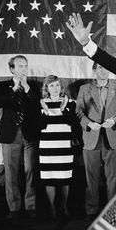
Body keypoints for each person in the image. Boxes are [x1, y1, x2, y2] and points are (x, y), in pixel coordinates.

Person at [76, 63, 116, 220]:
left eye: (107, 68)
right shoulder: (84, 89)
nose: (104, 71)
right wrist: (89, 124)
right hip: (91, 137)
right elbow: (78, 111)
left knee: (112, 177)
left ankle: (111, 211)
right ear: (95, 70)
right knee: (92, 176)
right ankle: (92, 210)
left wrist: (115, 121)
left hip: (111, 138)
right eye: (101, 68)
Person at [0, 55, 42, 219]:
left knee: (31, 170)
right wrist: (14, 89)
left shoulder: (34, 86)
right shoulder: (3, 86)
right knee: (11, 172)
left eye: (25, 66)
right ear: (12, 69)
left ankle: (31, 206)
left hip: (30, 134)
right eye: (20, 66)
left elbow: (38, 105)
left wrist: (26, 88)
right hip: (10, 134)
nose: (23, 69)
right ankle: (14, 208)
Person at [39, 75, 78, 220]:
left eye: (57, 85)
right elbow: (39, 126)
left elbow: (73, 122)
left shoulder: (69, 102)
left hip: (64, 145)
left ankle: (65, 207)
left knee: (64, 178)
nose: (54, 88)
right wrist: (45, 111)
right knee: (49, 178)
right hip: (47, 146)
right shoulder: (41, 103)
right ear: (46, 88)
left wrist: (64, 109)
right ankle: (52, 208)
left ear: (61, 88)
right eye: (51, 86)